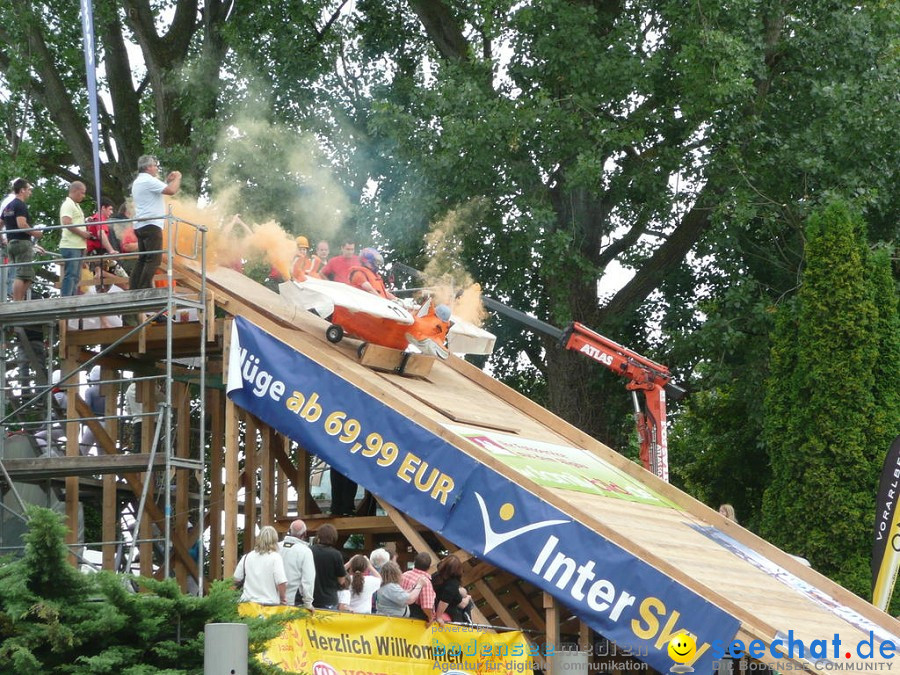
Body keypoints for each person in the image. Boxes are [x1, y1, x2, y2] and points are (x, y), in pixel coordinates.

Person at [130, 155, 181, 290]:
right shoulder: (148, 181)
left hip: (141, 224)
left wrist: (166, 181)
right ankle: (145, 287)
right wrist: (177, 178)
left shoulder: (139, 181)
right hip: (151, 225)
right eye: (154, 165)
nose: (156, 168)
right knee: (154, 259)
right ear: (148, 167)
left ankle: (134, 288)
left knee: (143, 259)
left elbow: (156, 190)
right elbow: (171, 190)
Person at [2, 179, 43, 302]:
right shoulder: (20, 205)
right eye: (29, 189)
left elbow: (0, 224)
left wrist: (3, 240)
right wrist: (36, 233)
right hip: (21, 243)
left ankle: (17, 300)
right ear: (22, 190)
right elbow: (22, 224)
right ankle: (17, 301)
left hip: (11, 243)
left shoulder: (8, 207)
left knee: (27, 275)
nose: (30, 192)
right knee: (23, 275)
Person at [233, 525, 288, 605]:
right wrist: (283, 599)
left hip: (247, 604)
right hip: (268, 605)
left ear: (258, 539)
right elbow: (281, 582)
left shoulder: (247, 557)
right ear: (275, 540)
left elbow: (236, 579)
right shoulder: (275, 557)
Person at [58, 181, 90, 296]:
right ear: (75, 191)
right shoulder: (68, 204)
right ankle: (67, 299)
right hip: (71, 245)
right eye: (82, 193)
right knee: (71, 275)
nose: (83, 196)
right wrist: (82, 233)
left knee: (76, 276)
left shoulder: (75, 205)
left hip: (77, 245)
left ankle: (71, 297)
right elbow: (67, 222)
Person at [279, 519, 316, 609]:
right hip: (291, 600)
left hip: (270, 598)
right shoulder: (305, 551)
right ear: (305, 534)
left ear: (289, 531)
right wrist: (308, 602)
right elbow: (308, 579)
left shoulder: (276, 547)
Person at [310, 524, 347, 609]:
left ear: (319, 535)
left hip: (310, 598)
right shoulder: (336, 554)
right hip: (329, 599)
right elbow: (341, 580)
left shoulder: (309, 550)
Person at [431, 554, 474, 625]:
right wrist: (438, 617)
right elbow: (445, 602)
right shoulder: (452, 584)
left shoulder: (436, 576)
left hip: (433, 604)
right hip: (447, 611)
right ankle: (470, 626)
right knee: (468, 604)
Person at [401, 551, 436, 623]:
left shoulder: (404, 575)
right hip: (416, 619)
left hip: (401, 614)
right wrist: (431, 617)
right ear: (429, 567)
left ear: (414, 563)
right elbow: (426, 606)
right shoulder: (425, 582)